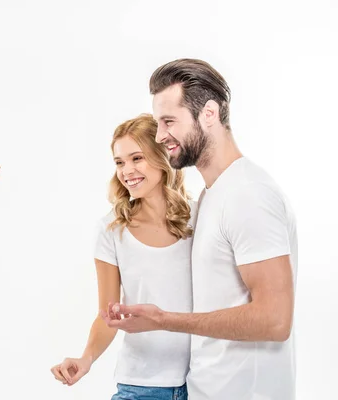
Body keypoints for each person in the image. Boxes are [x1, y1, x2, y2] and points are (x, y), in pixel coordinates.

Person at [103, 59, 298, 400]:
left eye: (169, 122)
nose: (161, 135)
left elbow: (275, 320)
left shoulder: (248, 194)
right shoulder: (211, 196)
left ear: (209, 114)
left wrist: (164, 319)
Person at [51, 114, 197, 400]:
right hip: (143, 385)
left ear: (162, 157)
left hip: (205, 380)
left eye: (136, 158)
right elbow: (109, 315)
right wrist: (86, 359)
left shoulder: (200, 217)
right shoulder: (112, 230)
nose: (126, 170)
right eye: (119, 162)